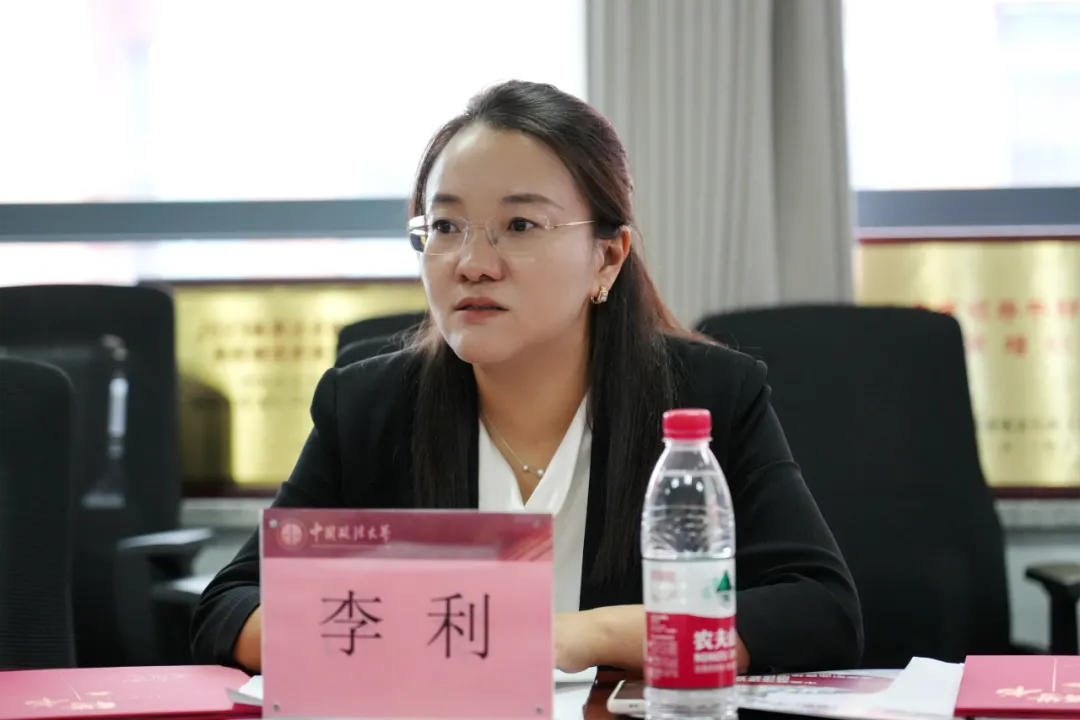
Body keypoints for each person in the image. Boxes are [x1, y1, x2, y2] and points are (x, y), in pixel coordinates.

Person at [191, 80, 863, 675]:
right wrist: (413, 632)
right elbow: (230, 609)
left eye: (519, 224)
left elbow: (821, 611)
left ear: (607, 256)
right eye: (446, 225)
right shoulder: (368, 407)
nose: (472, 263)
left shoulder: (707, 399)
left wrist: (583, 636)